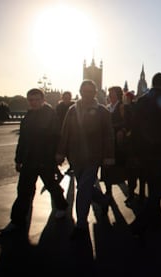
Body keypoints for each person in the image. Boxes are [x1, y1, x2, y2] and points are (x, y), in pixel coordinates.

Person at [0, 88, 69, 235]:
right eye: (31, 100)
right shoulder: (28, 117)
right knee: (23, 191)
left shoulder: (51, 115)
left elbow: (57, 137)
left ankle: (62, 207)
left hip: (46, 159)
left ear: (43, 100)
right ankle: (17, 221)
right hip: (29, 159)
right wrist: (18, 160)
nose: (34, 103)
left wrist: (58, 155)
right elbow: (22, 140)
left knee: (52, 186)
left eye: (37, 99)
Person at [56, 79, 115, 239]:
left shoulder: (102, 111)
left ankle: (81, 224)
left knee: (82, 189)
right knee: (85, 187)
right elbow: (65, 132)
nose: (87, 94)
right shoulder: (72, 110)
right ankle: (103, 201)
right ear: (80, 92)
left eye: (91, 91)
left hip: (93, 156)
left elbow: (109, 135)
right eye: (84, 91)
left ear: (95, 93)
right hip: (75, 156)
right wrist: (60, 153)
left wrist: (109, 156)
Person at [128, 72, 161, 237]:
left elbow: (134, 128)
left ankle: (158, 219)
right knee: (159, 189)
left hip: (142, 152)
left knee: (151, 185)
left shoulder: (141, 100)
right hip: (160, 152)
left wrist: (135, 152)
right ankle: (140, 223)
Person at [101, 86, 126, 195]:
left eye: (112, 93)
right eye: (109, 93)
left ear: (118, 94)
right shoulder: (107, 107)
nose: (110, 95)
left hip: (116, 140)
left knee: (115, 166)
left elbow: (126, 122)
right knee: (106, 165)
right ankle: (108, 190)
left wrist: (115, 128)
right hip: (107, 141)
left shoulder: (121, 107)